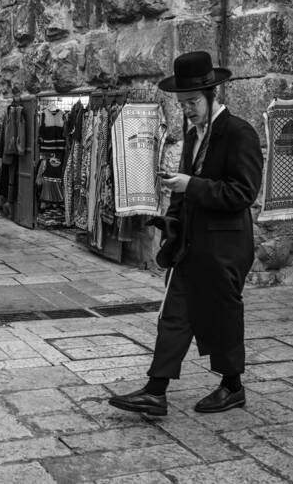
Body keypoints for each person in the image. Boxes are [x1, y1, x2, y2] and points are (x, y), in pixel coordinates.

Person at [109, 51, 263, 416]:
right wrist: (169, 223)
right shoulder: (193, 135)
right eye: (182, 103)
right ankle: (155, 390)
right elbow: (182, 189)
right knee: (173, 314)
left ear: (213, 96)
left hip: (225, 247)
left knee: (221, 316)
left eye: (193, 102)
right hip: (190, 246)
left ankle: (232, 386)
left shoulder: (239, 133)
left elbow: (243, 193)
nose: (188, 110)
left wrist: (190, 185)